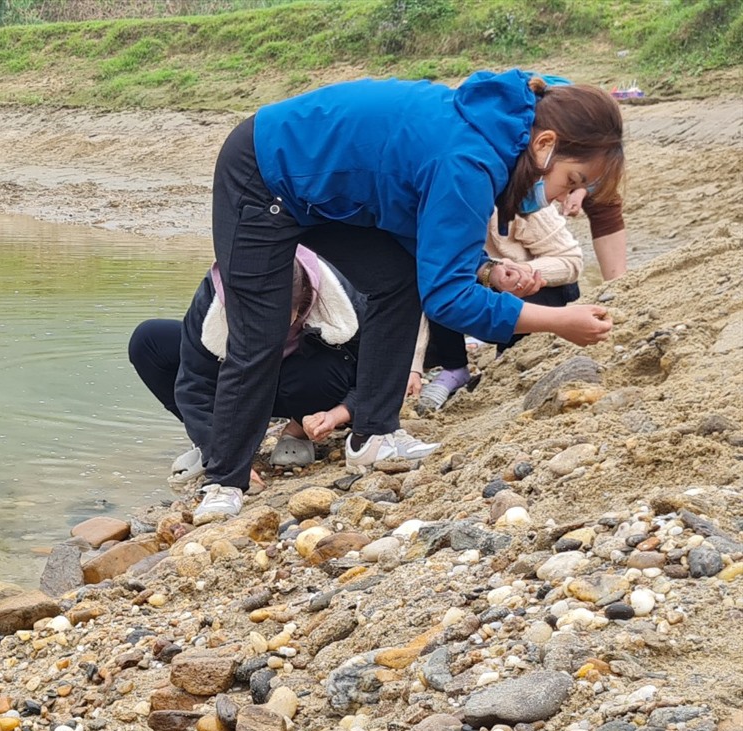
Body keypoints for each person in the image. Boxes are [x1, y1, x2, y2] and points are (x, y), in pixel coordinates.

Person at [190, 70, 622, 525]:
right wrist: (559, 320)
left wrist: (489, 269)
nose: (565, 199)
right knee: (261, 331)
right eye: (572, 180)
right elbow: (449, 300)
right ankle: (224, 481)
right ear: (544, 144)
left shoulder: (509, 120)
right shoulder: (470, 159)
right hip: (263, 171)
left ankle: (373, 434)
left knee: (397, 278)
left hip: (325, 189)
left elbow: (438, 245)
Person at [129, 246, 362, 485]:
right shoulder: (214, 294)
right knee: (149, 340)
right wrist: (220, 454)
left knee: (317, 372)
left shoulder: (340, 296)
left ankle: (298, 429)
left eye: (274, 324)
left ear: (301, 303)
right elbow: (194, 382)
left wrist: (339, 413)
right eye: (250, 322)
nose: (261, 332)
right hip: (241, 377)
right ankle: (214, 438)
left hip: (301, 380)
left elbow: (382, 377)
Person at [411, 198, 586, 412]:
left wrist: (522, 272)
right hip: (476, 289)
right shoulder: (434, 211)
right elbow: (423, 287)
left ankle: (509, 355)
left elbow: (571, 260)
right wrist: (414, 366)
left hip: (534, 289)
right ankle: (454, 366)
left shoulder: (524, 199)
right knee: (441, 283)